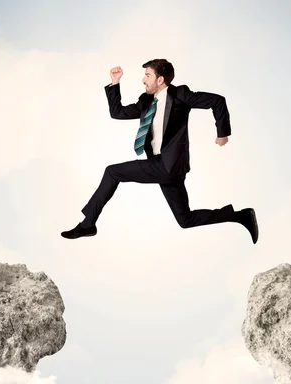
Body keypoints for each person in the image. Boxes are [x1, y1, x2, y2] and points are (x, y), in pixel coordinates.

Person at [61, 58, 258, 244]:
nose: (143, 80)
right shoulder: (146, 102)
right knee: (185, 220)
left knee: (112, 172)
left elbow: (217, 101)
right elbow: (117, 113)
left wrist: (222, 133)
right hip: (162, 167)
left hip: (169, 165)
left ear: (160, 79)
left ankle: (87, 224)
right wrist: (114, 83)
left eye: (147, 75)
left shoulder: (180, 95)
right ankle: (240, 216)